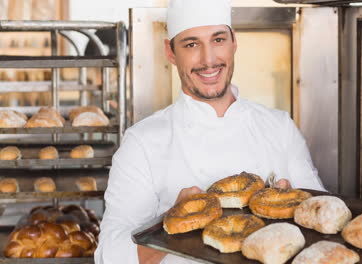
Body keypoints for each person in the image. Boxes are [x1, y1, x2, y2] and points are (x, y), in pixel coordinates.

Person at [95, 0, 326, 263]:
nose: (208, 60)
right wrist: (169, 223)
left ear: (233, 42)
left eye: (218, 40)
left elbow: (324, 222)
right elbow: (109, 255)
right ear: (170, 52)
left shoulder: (279, 127)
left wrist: (295, 208)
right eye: (191, 44)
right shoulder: (143, 142)